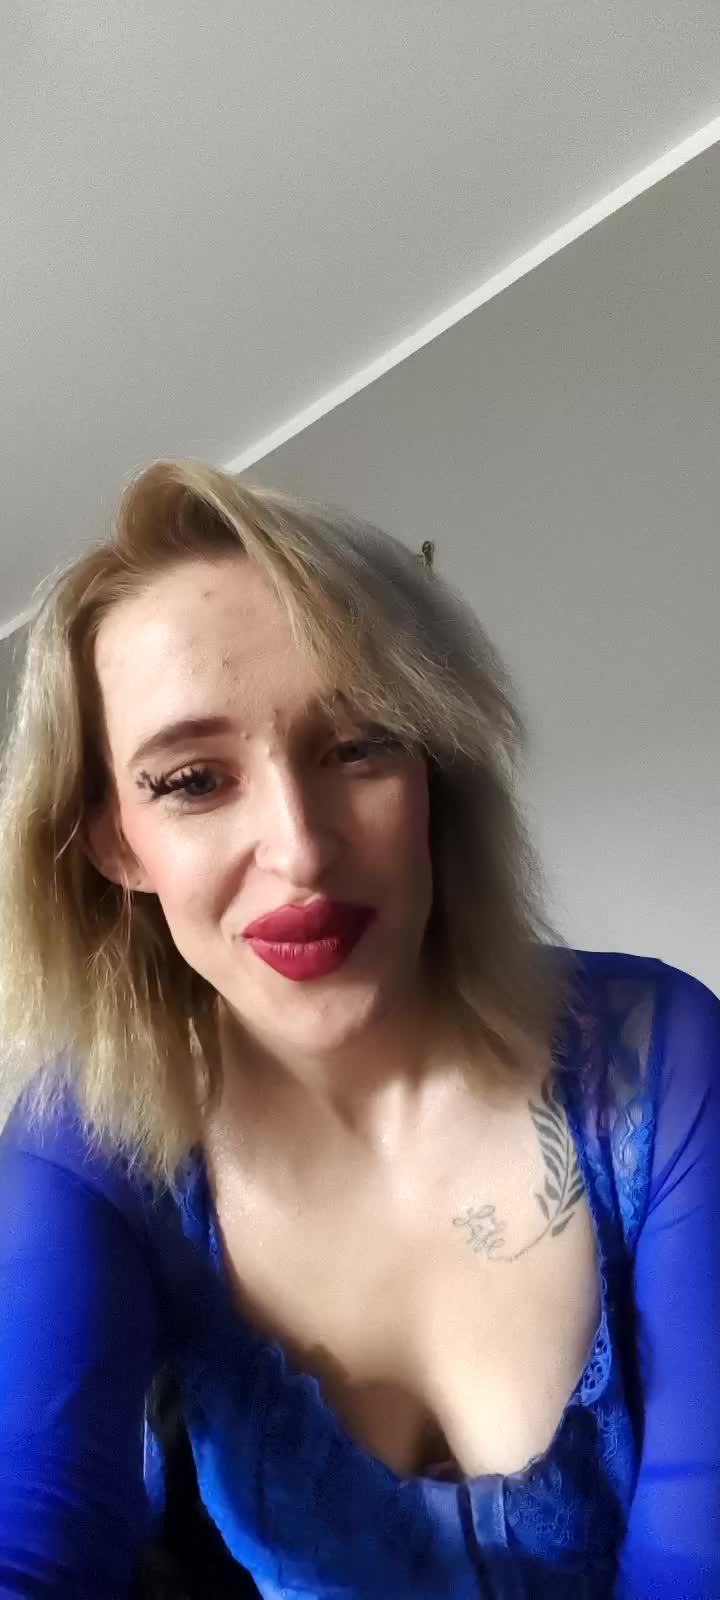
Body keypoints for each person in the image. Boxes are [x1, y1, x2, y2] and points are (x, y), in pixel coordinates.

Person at [0, 459, 718, 1600]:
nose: (301, 848)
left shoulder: (656, 1061)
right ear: (115, 843)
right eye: (193, 780)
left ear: (432, 765)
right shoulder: (83, 1142)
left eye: (358, 743)